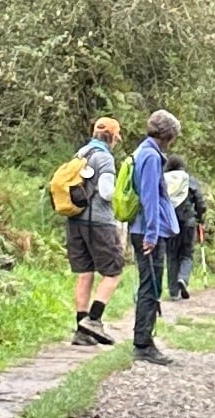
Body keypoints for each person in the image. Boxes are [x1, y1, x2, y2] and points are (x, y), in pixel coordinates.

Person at [128, 109, 181, 365]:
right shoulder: (150, 156)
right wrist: (151, 234)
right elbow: (149, 196)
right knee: (150, 287)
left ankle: (145, 340)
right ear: (168, 135)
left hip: (145, 229)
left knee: (150, 285)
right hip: (148, 231)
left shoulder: (144, 151)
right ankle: (142, 344)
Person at [68, 117, 125, 347]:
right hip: (99, 222)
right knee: (114, 270)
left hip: (74, 220)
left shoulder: (80, 154)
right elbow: (106, 192)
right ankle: (94, 319)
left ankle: (81, 330)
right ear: (112, 137)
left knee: (85, 272)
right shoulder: (105, 158)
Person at [163, 154, 207, 300]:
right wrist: (200, 218)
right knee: (187, 254)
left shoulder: (163, 179)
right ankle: (183, 278)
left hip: (169, 223)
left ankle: (173, 292)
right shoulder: (189, 179)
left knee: (171, 255)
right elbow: (199, 200)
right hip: (188, 221)